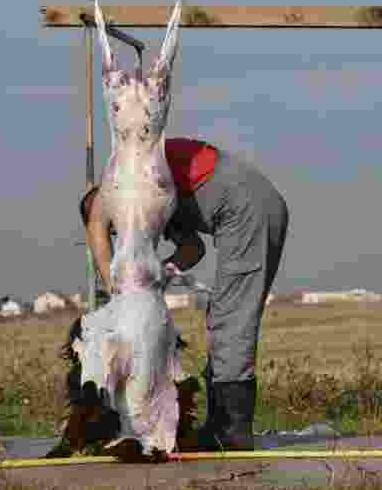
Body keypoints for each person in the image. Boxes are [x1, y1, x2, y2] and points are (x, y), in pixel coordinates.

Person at [78, 137, 289, 452]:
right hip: (249, 206)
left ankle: (230, 432)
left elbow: (94, 222)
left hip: (245, 210)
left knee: (232, 319)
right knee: (224, 315)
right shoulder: (156, 200)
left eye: (113, 229)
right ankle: (221, 425)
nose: (118, 235)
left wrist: (116, 289)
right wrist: (159, 275)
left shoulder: (122, 177)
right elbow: (193, 249)